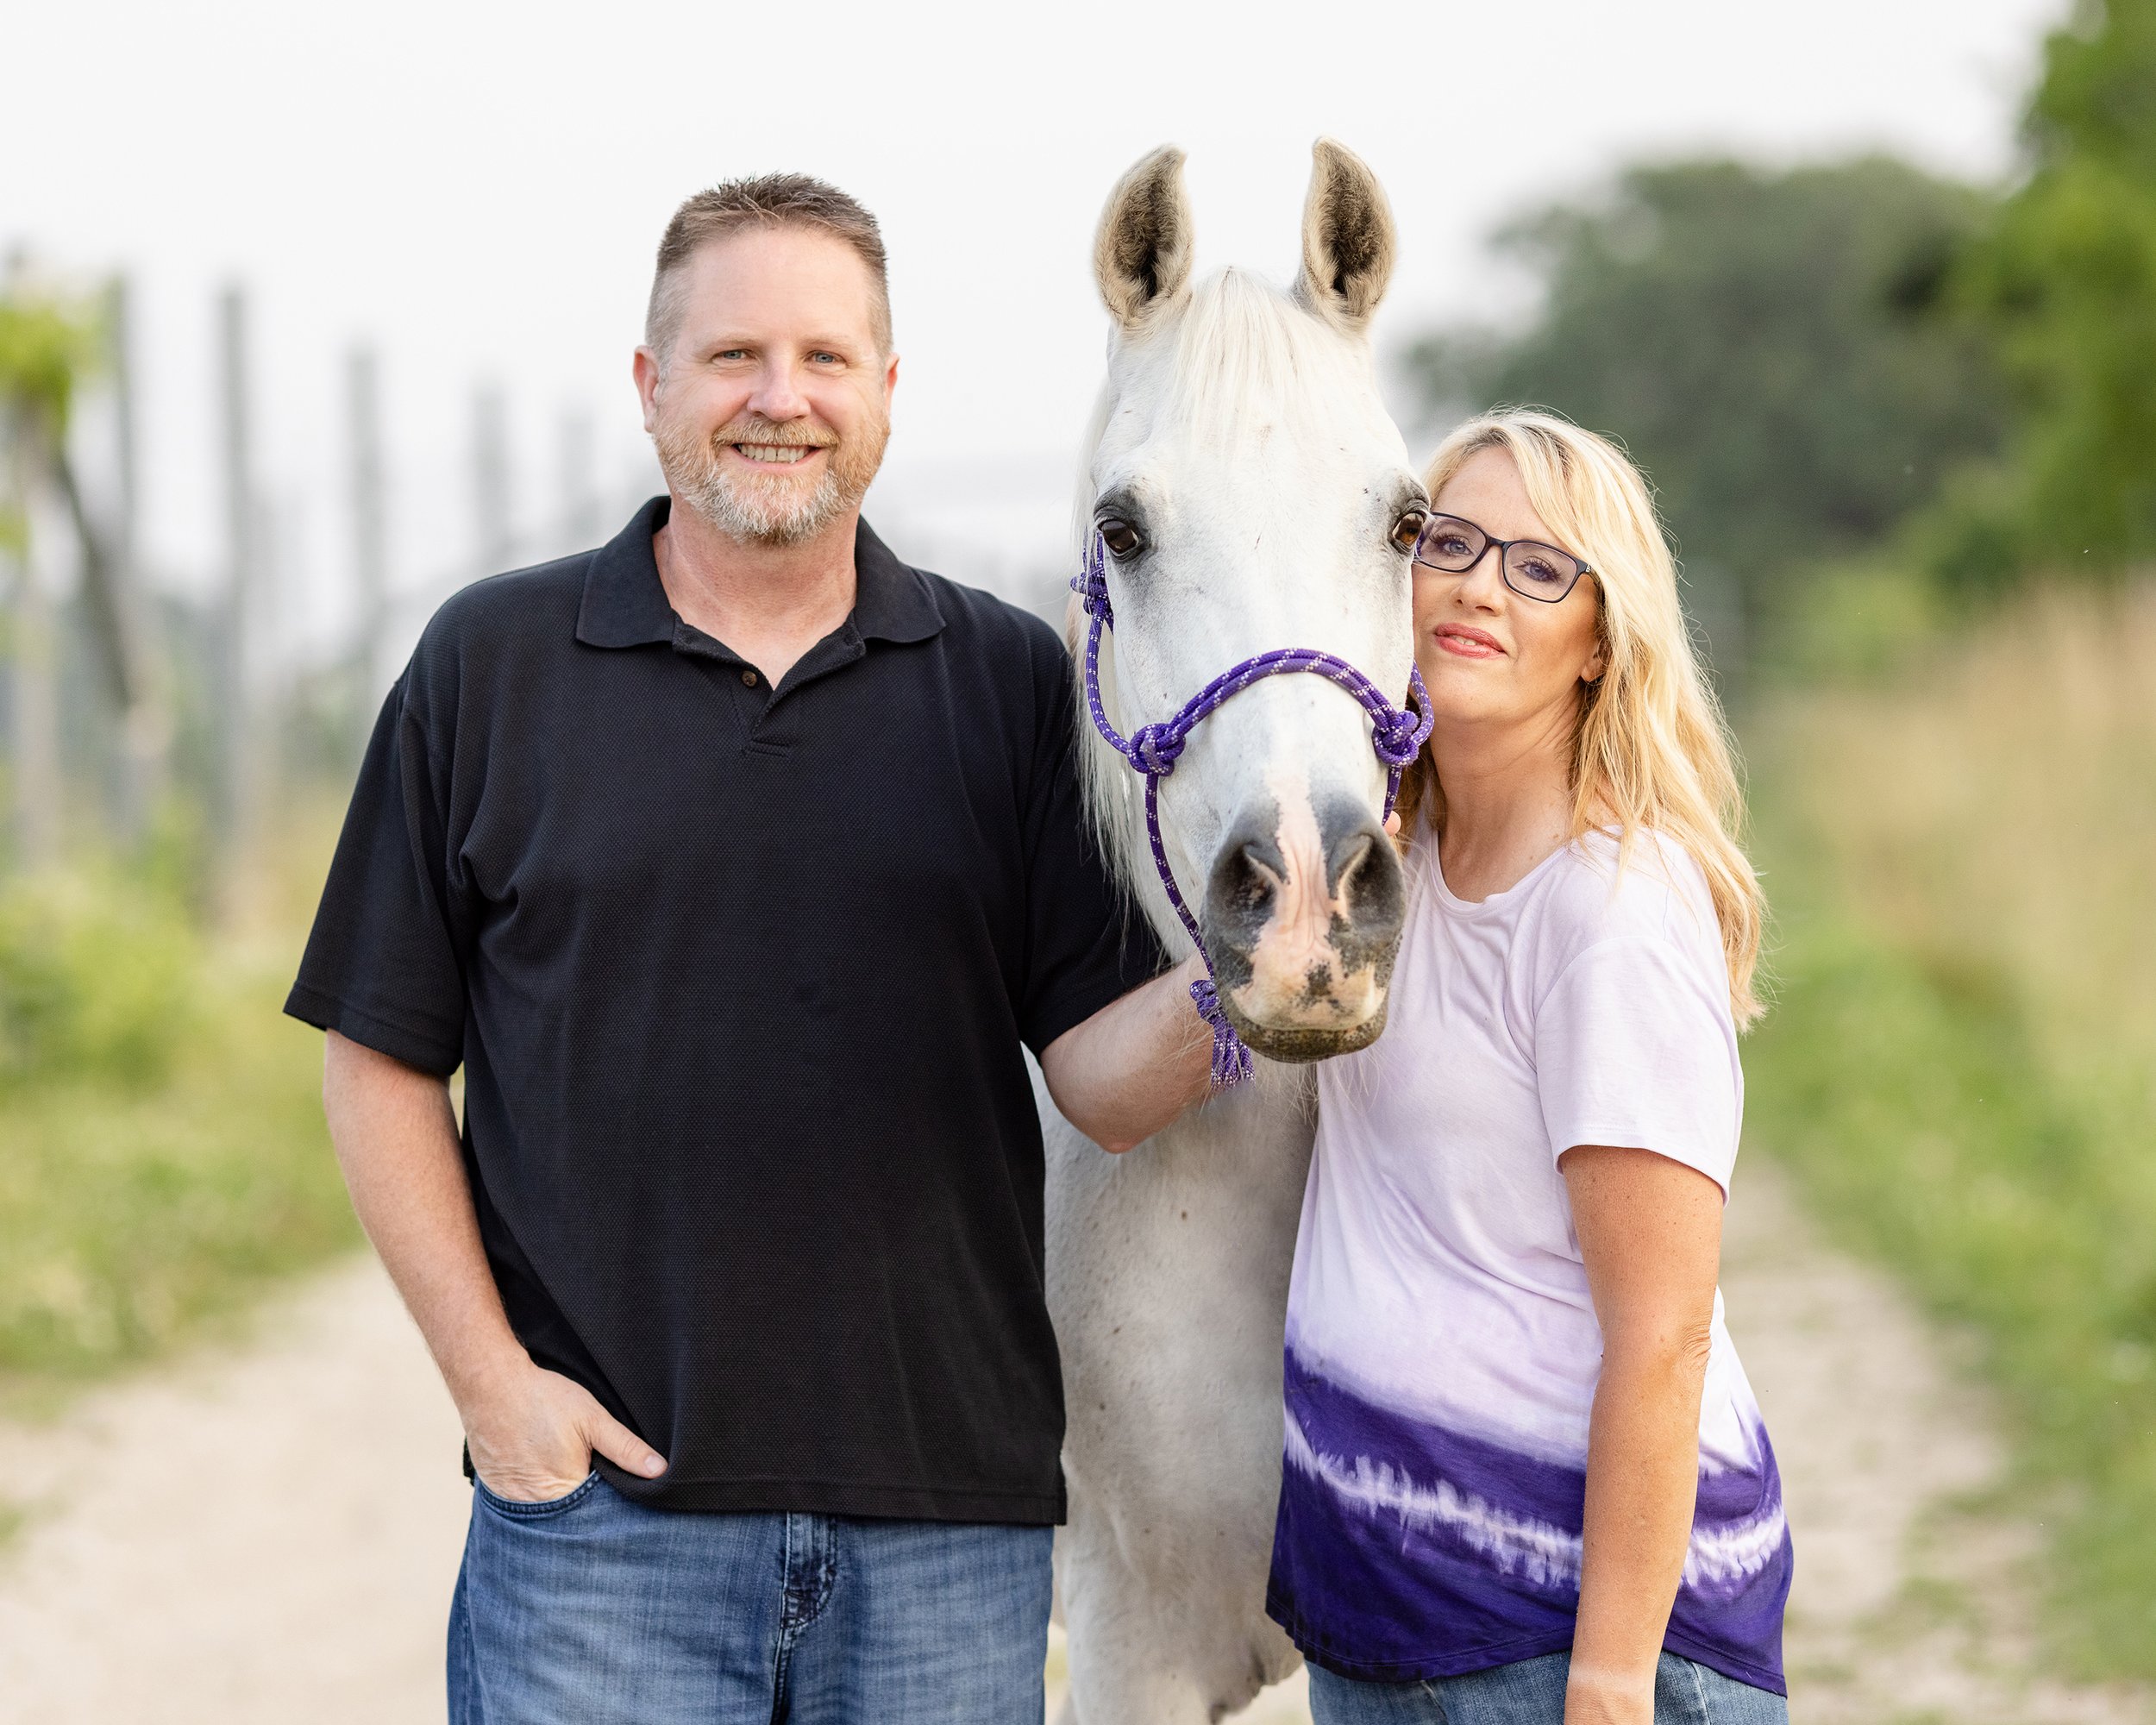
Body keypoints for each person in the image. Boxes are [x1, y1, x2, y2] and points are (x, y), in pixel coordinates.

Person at [285, 173, 1218, 1725]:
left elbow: (1103, 1089)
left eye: (825, 359)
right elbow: (378, 1060)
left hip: (948, 1535)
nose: (781, 399)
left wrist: (1241, 979)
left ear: (888, 397)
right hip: (598, 1537)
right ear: (652, 389)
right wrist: (494, 1398)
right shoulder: (490, 669)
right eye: (732, 358)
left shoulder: (1005, 682)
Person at [1265, 411, 1792, 1725]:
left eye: (1542, 566)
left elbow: (1664, 1335)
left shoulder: (1607, 914)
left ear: (1601, 641)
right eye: (1450, 541)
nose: (1480, 585)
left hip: (1559, 1642)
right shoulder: (1396, 873)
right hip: (1389, 1619)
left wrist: (1611, 1681)